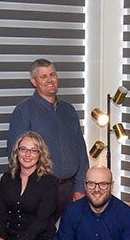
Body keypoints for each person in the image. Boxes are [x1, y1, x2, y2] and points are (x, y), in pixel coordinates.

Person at [7, 58, 88, 215]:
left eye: (52, 75)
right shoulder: (24, 110)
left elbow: (81, 151)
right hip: (39, 189)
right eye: (43, 77)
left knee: (70, 237)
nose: (50, 80)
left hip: (69, 190)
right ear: (33, 81)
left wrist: (80, 188)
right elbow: (15, 153)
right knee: (41, 238)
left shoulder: (69, 110)